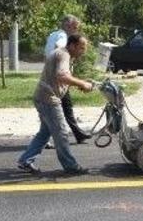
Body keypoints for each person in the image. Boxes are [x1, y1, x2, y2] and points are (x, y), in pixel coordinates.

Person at [17, 34, 94, 175]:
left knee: (45, 133)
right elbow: (62, 76)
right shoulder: (64, 55)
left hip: (42, 97)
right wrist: (82, 83)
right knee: (61, 133)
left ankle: (25, 160)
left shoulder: (62, 54)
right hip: (48, 99)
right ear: (72, 45)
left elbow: (60, 79)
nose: (83, 51)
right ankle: (71, 166)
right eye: (81, 47)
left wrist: (79, 84)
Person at [44, 14, 91, 144]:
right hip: (58, 77)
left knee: (65, 106)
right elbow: (59, 48)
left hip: (51, 74)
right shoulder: (63, 36)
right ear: (67, 26)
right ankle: (49, 140)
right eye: (75, 27)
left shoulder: (52, 35)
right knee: (59, 109)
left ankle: (78, 134)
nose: (76, 31)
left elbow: (47, 52)